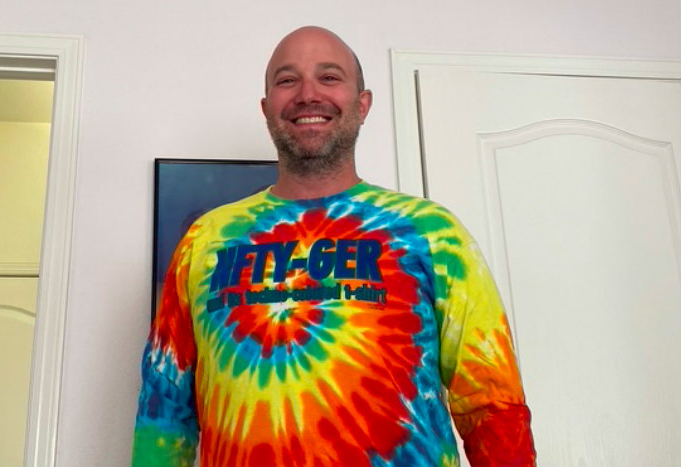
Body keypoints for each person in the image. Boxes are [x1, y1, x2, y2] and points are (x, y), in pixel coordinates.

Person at [132, 26, 536, 467]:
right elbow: (164, 411)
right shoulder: (205, 240)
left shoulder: (432, 232)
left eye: (329, 77)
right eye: (288, 80)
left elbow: (494, 408)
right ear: (267, 108)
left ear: (362, 104)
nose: (308, 94)